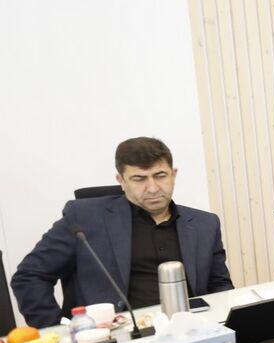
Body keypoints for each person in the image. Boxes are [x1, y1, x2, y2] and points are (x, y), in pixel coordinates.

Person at [12, 137, 234, 327]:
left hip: (191, 331)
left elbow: (221, 288)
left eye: (160, 175)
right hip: (116, 337)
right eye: (139, 179)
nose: (153, 188)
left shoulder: (205, 224)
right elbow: (29, 276)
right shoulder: (84, 218)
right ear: (121, 180)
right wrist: (59, 332)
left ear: (173, 174)